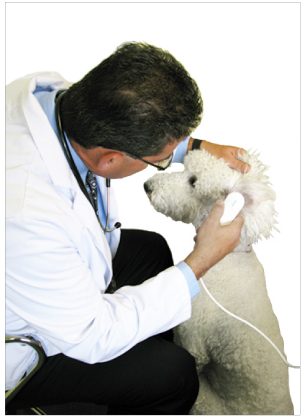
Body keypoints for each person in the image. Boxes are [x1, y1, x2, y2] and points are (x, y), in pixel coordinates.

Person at [6, 42, 248, 414]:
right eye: (160, 161)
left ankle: (141, 354)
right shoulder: (26, 213)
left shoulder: (51, 98)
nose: (166, 162)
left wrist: (193, 146)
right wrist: (202, 259)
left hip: (38, 270)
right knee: (175, 375)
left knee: (150, 250)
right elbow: (92, 335)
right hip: (29, 341)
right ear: (110, 159)